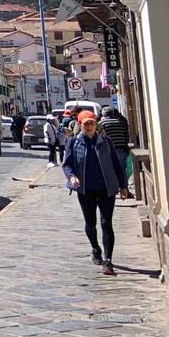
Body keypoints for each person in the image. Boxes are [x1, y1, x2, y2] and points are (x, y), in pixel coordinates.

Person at [61, 111, 126, 276]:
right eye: (86, 124)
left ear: (96, 124)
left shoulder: (106, 141)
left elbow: (116, 165)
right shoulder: (73, 142)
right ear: (80, 125)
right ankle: (95, 248)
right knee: (90, 223)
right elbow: (67, 164)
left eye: (92, 123)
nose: (89, 126)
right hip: (85, 189)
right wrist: (72, 176)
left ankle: (108, 260)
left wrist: (123, 186)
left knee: (106, 223)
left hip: (106, 188)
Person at [100, 107, 133, 199]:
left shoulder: (101, 123)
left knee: (109, 171)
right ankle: (125, 190)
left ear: (104, 115)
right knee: (121, 171)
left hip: (107, 151)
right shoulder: (120, 122)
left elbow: (100, 137)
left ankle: (111, 191)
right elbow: (126, 136)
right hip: (120, 149)